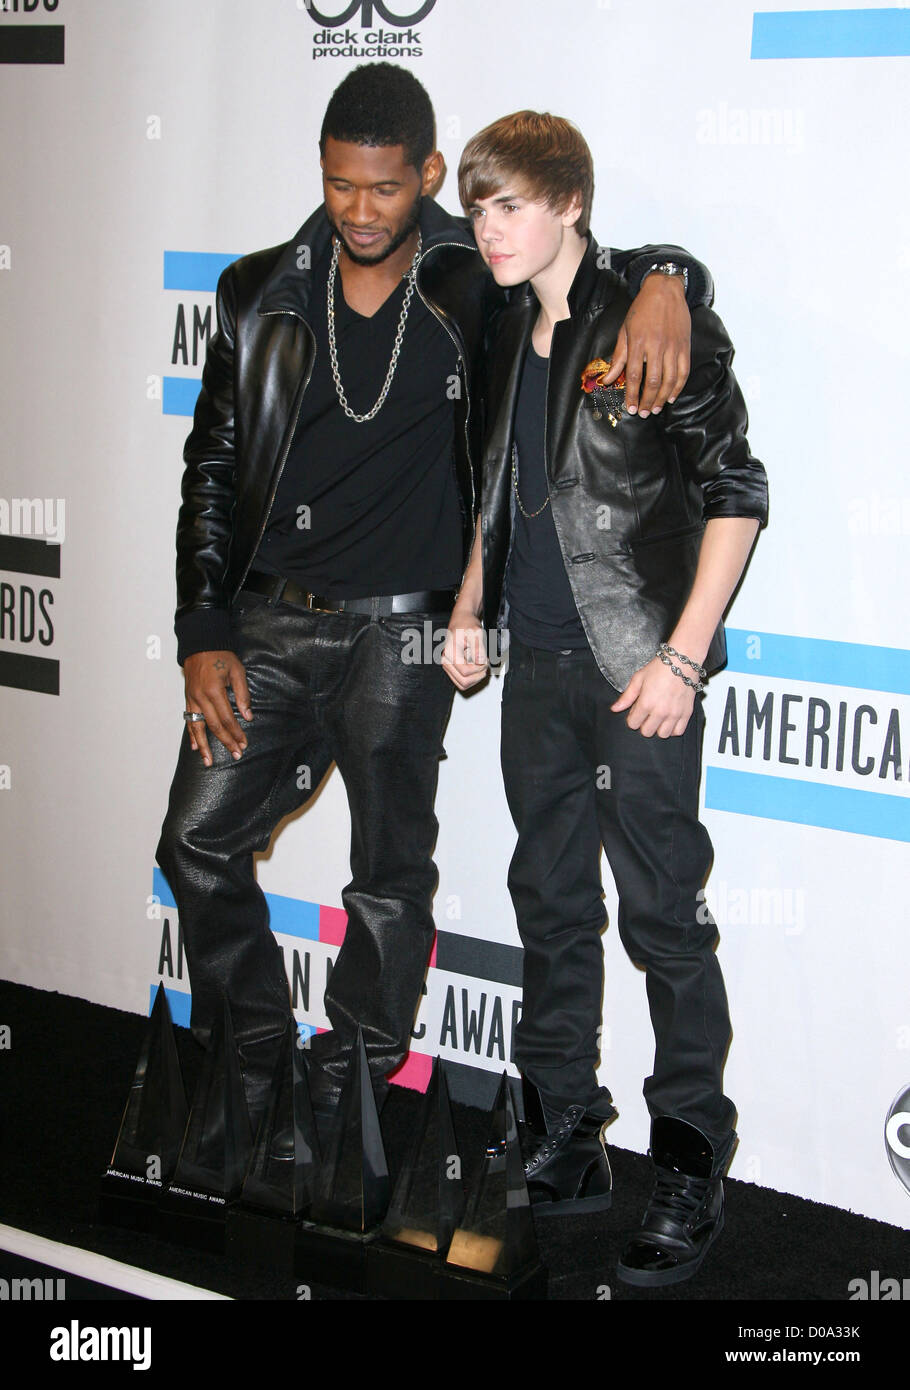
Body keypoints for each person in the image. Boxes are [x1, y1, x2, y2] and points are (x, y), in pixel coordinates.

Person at [156, 64, 712, 1131]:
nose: (361, 211)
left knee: (388, 870)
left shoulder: (477, 277)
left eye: (386, 189)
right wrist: (201, 629)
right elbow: (213, 473)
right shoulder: (255, 291)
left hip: (408, 626)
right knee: (195, 839)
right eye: (339, 187)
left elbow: (586, 262)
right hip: (267, 619)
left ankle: (358, 1062)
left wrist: (670, 277)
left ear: (428, 179)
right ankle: (255, 1040)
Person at [445, 111, 768, 1287]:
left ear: (570, 204)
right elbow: (493, 476)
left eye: (513, 206)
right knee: (549, 902)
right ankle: (565, 1127)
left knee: (664, 918)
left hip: (637, 671)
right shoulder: (495, 321)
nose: (490, 229)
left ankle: (689, 1157)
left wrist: (681, 659)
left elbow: (735, 492)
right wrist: (471, 602)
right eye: (479, 208)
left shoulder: (646, 309)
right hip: (531, 662)